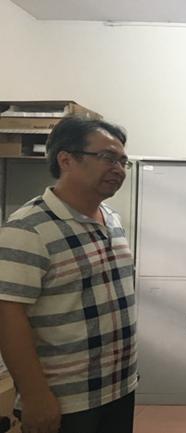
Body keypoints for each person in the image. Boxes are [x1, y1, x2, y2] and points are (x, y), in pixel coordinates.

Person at [0, 117, 138, 433]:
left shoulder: (111, 220)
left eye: (123, 161)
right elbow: (8, 316)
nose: (118, 169)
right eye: (107, 157)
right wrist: (34, 395)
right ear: (66, 160)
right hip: (65, 400)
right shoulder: (28, 228)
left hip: (118, 387)